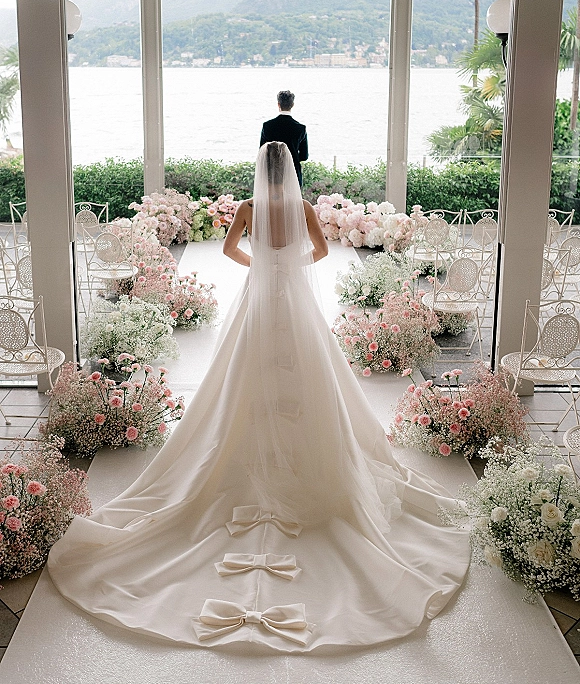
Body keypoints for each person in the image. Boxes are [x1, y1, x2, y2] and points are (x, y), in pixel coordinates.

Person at [48, 142, 470, 653]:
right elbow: (319, 252)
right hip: (294, 298)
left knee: (241, 376)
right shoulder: (306, 209)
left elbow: (229, 252)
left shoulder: (248, 210)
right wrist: (286, 263)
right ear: (290, 173)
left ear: (259, 173)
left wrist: (261, 264)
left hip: (259, 296)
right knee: (308, 375)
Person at [260, 90, 308, 185]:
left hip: (272, 175)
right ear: (292, 105)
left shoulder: (267, 126)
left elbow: (262, 151)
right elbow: (304, 156)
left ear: (278, 104)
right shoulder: (300, 128)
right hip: (293, 174)